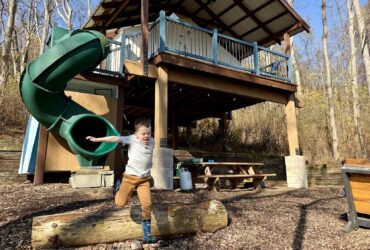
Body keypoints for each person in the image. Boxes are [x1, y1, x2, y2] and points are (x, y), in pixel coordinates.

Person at [86, 118, 157, 244]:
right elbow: (114, 138)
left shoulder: (152, 141)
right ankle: (118, 188)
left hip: (144, 180)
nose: (146, 136)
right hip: (129, 178)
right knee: (120, 203)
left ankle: (147, 234)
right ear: (136, 134)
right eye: (143, 134)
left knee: (147, 205)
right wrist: (97, 139)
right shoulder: (131, 139)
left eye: (148, 133)